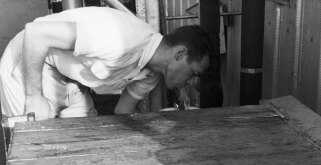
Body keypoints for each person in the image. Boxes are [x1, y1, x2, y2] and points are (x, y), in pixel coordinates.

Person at [0, 6, 211, 120]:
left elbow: (123, 111)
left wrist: (158, 123)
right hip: (30, 63)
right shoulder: (119, 39)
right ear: (180, 54)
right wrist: (34, 97)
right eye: (194, 73)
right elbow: (36, 34)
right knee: (35, 147)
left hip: (70, 79)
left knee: (82, 141)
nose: (191, 82)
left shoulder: (151, 75)